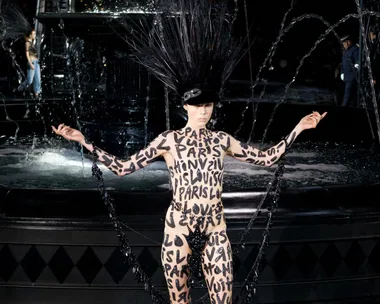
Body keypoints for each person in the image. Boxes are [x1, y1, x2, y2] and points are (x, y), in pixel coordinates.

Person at [52, 91, 327, 303]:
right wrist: (83, 141)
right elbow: (124, 168)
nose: (203, 111)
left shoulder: (221, 140)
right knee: (179, 300)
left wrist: (299, 129)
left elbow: (266, 158)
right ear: (185, 106)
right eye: (197, 106)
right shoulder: (169, 140)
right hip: (178, 230)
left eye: (208, 106)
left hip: (215, 230)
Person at [17, 28, 41, 98]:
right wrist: (30, 64)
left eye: (35, 34)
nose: (34, 35)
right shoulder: (27, 43)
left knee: (38, 79)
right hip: (32, 62)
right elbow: (27, 55)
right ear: (30, 35)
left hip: (37, 62)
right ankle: (20, 88)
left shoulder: (32, 42)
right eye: (33, 34)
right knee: (30, 80)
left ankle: (37, 94)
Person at [340, 35, 359, 107]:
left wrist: (357, 65)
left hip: (352, 76)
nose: (343, 45)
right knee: (351, 97)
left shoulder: (355, 49)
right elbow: (343, 63)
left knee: (347, 95)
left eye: (344, 43)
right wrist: (342, 72)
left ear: (348, 42)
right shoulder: (345, 51)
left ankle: (343, 107)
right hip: (346, 76)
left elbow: (358, 60)